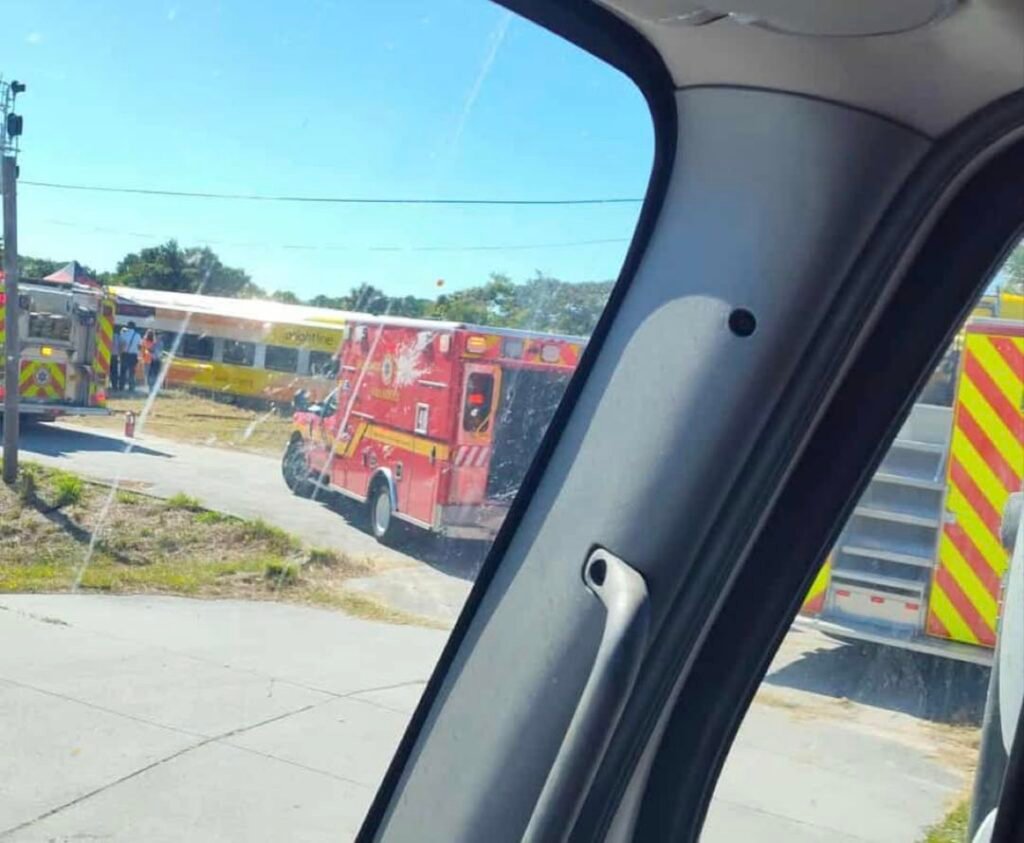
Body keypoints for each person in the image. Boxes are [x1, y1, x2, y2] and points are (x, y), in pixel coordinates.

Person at [118, 322, 142, 392]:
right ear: (134, 327)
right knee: (132, 372)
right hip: (133, 356)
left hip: (125, 355)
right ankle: (131, 387)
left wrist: (120, 354)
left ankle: (121, 387)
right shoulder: (138, 335)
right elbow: (139, 346)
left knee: (123, 371)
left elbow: (121, 345)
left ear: (128, 327)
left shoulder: (124, 334)